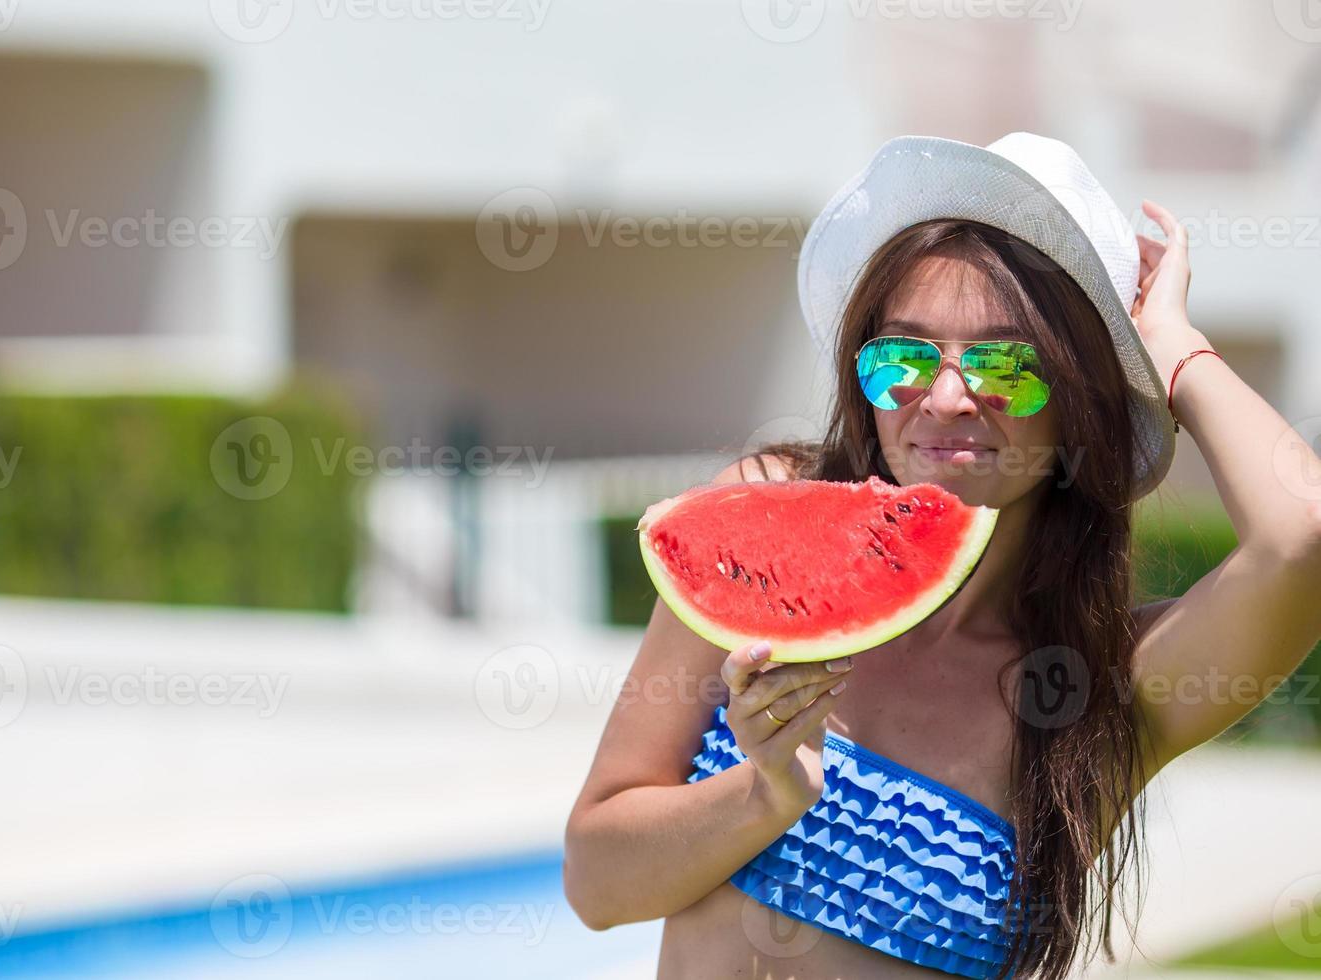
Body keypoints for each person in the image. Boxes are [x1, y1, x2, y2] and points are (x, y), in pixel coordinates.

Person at [561, 133, 1321, 979]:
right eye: (903, 359)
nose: (948, 397)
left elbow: (1303, 533)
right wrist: (762, 793)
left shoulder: (1109, 688)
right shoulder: (767, 511)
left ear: (1079, 398)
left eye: (1007, 365)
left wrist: (1167, 342)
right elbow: (597, 885)